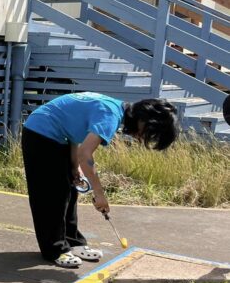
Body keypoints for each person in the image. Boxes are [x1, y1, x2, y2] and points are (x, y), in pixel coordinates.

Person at [22, 93, 178, 268]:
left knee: (69, 190)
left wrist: (74, 166)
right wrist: (99, 194)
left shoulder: (114, 109)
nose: (141, 137)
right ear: (144, 119)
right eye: (148, 132)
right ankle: (55, 250)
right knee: (52, 195)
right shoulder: (110, 115)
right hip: (40, 133)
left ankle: (73, 242)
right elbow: (86, 154)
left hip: (57, 135)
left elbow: (73, 132)